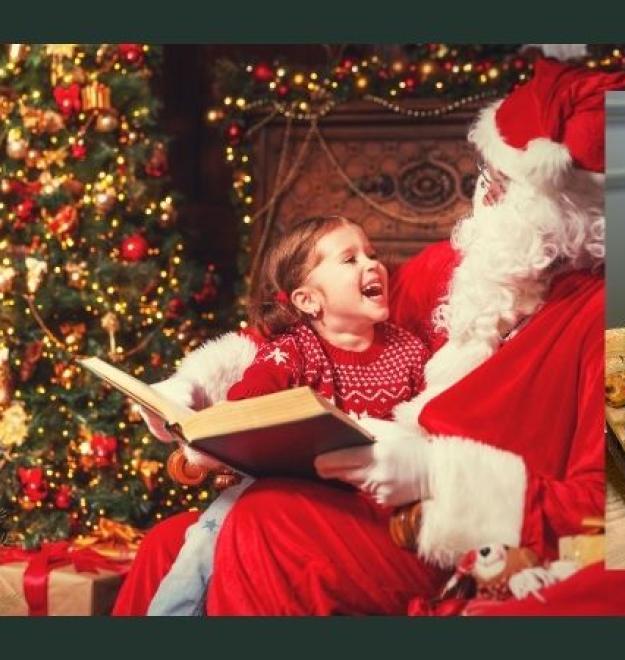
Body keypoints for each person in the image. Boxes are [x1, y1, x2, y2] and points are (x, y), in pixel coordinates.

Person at [113, 58, 625, 616]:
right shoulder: (471, 267)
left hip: (459, 536)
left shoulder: (623, 326)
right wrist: (194, 385)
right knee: (169, 546)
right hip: (376, 501)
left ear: (565, 208)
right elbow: (312, 325)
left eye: (502, 183)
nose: (483, 195)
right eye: (487, 173)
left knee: (266, 523)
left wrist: (437, 473)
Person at [144, 215, 430, 614]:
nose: (371, 264)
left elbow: (425, 423)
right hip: (287, 489)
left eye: (373, 254)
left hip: (364, 500)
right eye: (350, 259)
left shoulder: (410, 351)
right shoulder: (294, 348)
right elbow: (248, 401)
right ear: (308, 299)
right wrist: (215, 435)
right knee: (209, 533)